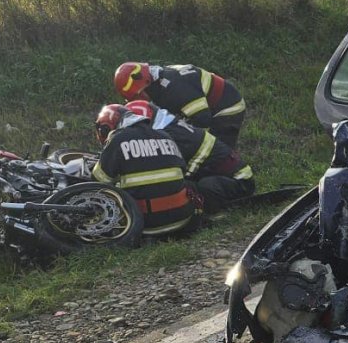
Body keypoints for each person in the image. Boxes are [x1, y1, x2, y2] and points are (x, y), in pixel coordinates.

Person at [124, 100, 255, 213]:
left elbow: (177, 171)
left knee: (194, 187)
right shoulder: (170, 127)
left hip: (239, 181)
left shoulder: (173, 136)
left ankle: (213, 213)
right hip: (220, 173)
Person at [92, 104, 201, 237]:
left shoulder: (118, 139)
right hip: (183, 218)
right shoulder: (165, 135)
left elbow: (98, 181)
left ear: (106, 128)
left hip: (147, 224)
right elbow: (182, 170)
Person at [113, 62, 246, 147]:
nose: (141, 100)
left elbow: (202, 119)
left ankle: (233, 183)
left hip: (227, 107)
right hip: (210, 106)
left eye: (139, 95)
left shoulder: (174, 89)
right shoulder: (162, 80)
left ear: (146, 83)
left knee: (218, 151)